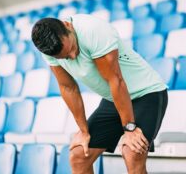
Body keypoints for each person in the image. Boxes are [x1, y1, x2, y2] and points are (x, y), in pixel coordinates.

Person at [31, 14, 168, 174]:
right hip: (113, 99)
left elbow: (115, 80)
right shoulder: (49, 49)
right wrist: (84, 131)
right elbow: (68, 88)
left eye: (72, 49)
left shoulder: (93, 31)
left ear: (67, 26)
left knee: (132, 152)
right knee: (79, 155)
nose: (74, 56)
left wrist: (130, 129)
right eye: (66, 58)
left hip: (146, 93)